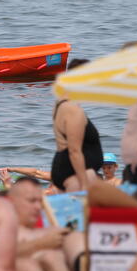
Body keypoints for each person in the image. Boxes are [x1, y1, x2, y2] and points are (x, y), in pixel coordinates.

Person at [7, 177, 79, 271]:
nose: (38, 207)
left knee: (74, 240)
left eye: (40, 201)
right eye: (31, 201)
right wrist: (41, 244)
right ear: (12, 201)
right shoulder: (3, 228)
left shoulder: (48, 229)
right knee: (50, 256)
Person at [51, 58, 105, 192]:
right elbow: (74, 151)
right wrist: (84, 184)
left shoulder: (62, 103)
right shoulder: (73, 110)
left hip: (70, 170)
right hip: (73, 173)